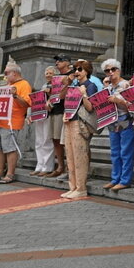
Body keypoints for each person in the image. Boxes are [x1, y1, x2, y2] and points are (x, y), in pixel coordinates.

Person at [0, 63, 31, 184]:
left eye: (6, 73)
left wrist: (15, 95)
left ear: (15, 73)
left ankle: (10, 174)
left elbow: (27, 103)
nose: (5, 76)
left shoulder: (24, 84)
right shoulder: (8, 85)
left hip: (11, 122)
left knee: (9, 148)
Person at [59, 60, 98, 199]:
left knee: (79, 156)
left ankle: (81, 188)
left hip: (80, 124)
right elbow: (62, 98)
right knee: (69, 156)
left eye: (79, 69)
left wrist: (84, 94)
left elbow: (90, 108)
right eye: (75, 69)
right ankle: (73, 186)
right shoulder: (73, 86)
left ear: (86, 71)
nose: (76, 72)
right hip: (69, 121)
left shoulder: (90, 86)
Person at [102, 58, 134, 191]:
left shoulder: (126, 85)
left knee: (125, 152)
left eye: (113, 69)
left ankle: (125, 180)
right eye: (107, 70)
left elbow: (133, 105)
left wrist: (117, 101)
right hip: (112, 121)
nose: (110, 72)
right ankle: (115, 179)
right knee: (115, 152)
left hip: (125, 120)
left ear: (119, 70)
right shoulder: (108, 88)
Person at [46, 54, 73, 178]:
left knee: (63, 140)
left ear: (67, 62)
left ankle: (68, 167)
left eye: (60, 60)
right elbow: (53, 93)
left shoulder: (72, 75)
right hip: (54, 110)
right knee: (55, 139)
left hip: (65, 110)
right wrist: (48, 101)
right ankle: (60, 166)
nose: (57, 63)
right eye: (56, 61)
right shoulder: (55, 77)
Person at [28, 66, 56, 177]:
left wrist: (49, 95)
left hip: (49, 115)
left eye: (51, 73)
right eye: (46, 73)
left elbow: (56, 100)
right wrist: (31, 114)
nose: (48, 75)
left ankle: (47, 167)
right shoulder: (44, 86)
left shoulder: (57, 85)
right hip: (40, 115)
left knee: (46, 141)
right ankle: (39, 165)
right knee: (39, 141)